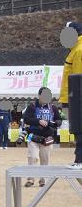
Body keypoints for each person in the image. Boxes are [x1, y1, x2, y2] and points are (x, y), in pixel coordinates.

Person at [23, 87, 62, 187]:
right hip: (33, 137)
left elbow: (59, 120)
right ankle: (31, 179)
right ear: (39, 96)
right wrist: (38, 121)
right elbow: (26, 119)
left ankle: (43, 180)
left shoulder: (53, 108)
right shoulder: (32, 106)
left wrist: (54, 123)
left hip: (47, 138)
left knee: (45, 160)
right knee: (33, 157)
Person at [60, 22, 82, 169]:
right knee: (77, 129)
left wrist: (75, 99)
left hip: (78, 98)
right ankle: (78, 159)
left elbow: (79, 78)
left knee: (80, 128)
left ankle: (80, 160)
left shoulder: (79, 50)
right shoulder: (74, 50)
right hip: (74, 97)